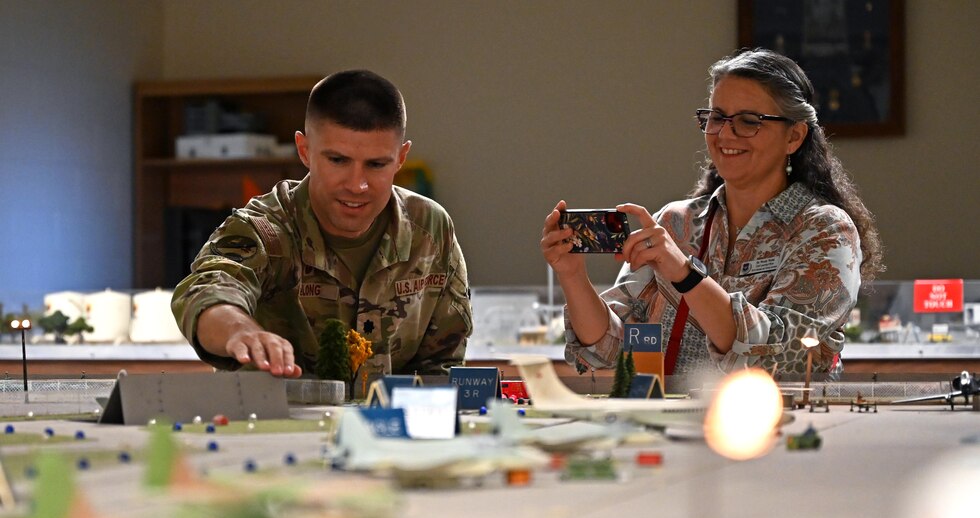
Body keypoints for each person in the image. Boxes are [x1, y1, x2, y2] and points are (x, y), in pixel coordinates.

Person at [541, 48, 882, 380]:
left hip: (775, 417)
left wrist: (685, 274)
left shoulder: (824, 229)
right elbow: (610, 350)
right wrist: (572, 276)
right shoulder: (674, 223)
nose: (725, 134)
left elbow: (784, 355)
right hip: (669, 418)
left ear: (794, 136)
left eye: (749, 121)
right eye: (717, 118)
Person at [172, 70, 472, 380]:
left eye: (376, 164)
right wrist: (241, 331)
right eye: (338, 161)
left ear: (401, 158)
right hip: (279, 412)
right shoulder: (265, 229)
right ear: (304, 150)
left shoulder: (429, 229)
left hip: (394, 413)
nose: (357, 185)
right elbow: (208, 290)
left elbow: (443, 367)